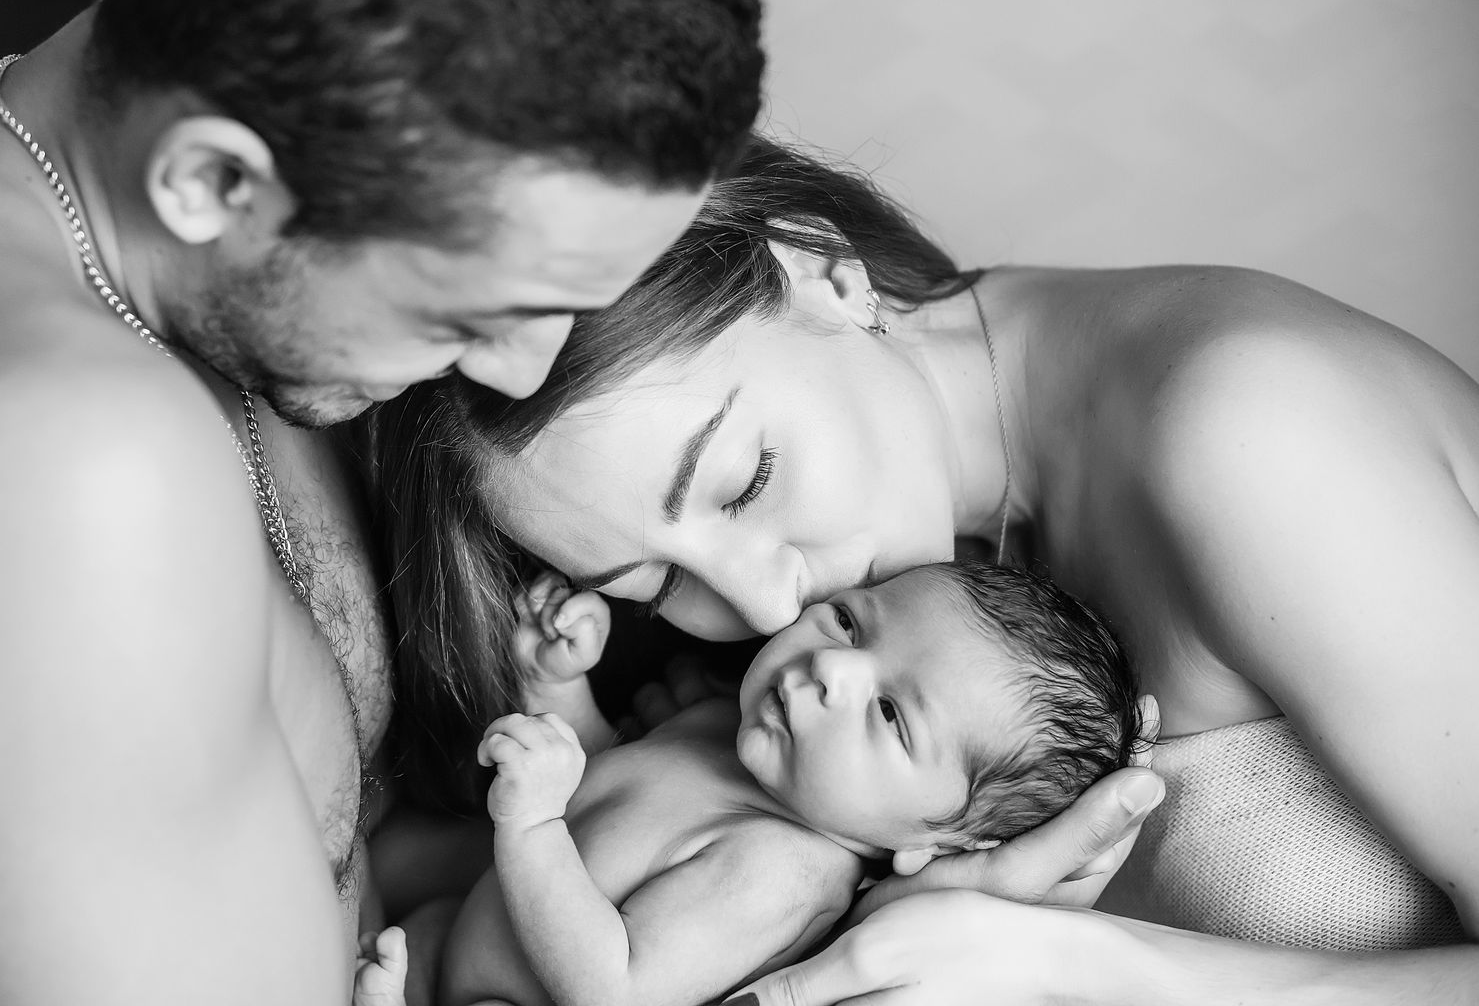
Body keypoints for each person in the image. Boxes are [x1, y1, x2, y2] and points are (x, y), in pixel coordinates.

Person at [366, 134, 1479, 1003]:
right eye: (652, 583)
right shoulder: (848, 657)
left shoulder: (1243, 433)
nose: (762, 604)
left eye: (744, 482)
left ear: (826, 275)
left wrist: (1086, 968)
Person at [0, 0, 765, 1000]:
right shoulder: (75, 461)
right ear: (214, 181)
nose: (521, 374)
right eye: (474, 315)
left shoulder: (221, 285)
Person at [353, 560, 1142, 1006]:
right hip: (459, 938)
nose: (832, 669)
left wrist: (530, 824)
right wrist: (556, 685)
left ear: (935, 839)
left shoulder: (782, 874)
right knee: (397, 887)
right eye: (848, 621)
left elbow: (614, 987)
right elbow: (606, 795)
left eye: (892, 715)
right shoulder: (723, 728)